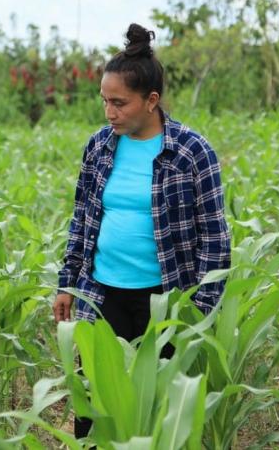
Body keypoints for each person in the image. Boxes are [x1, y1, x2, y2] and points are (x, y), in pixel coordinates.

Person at [52, 24, 231, 439]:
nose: (109, 112)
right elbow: (82, 220)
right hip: (102, 294)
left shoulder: (192, 151)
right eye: (104, 101)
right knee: (96, 403)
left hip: (164, 300)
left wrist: (199, 310)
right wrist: (68, 285)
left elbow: (215, 239)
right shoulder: (99, 146)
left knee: (159, 407)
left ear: (151, 101)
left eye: (119, 103)